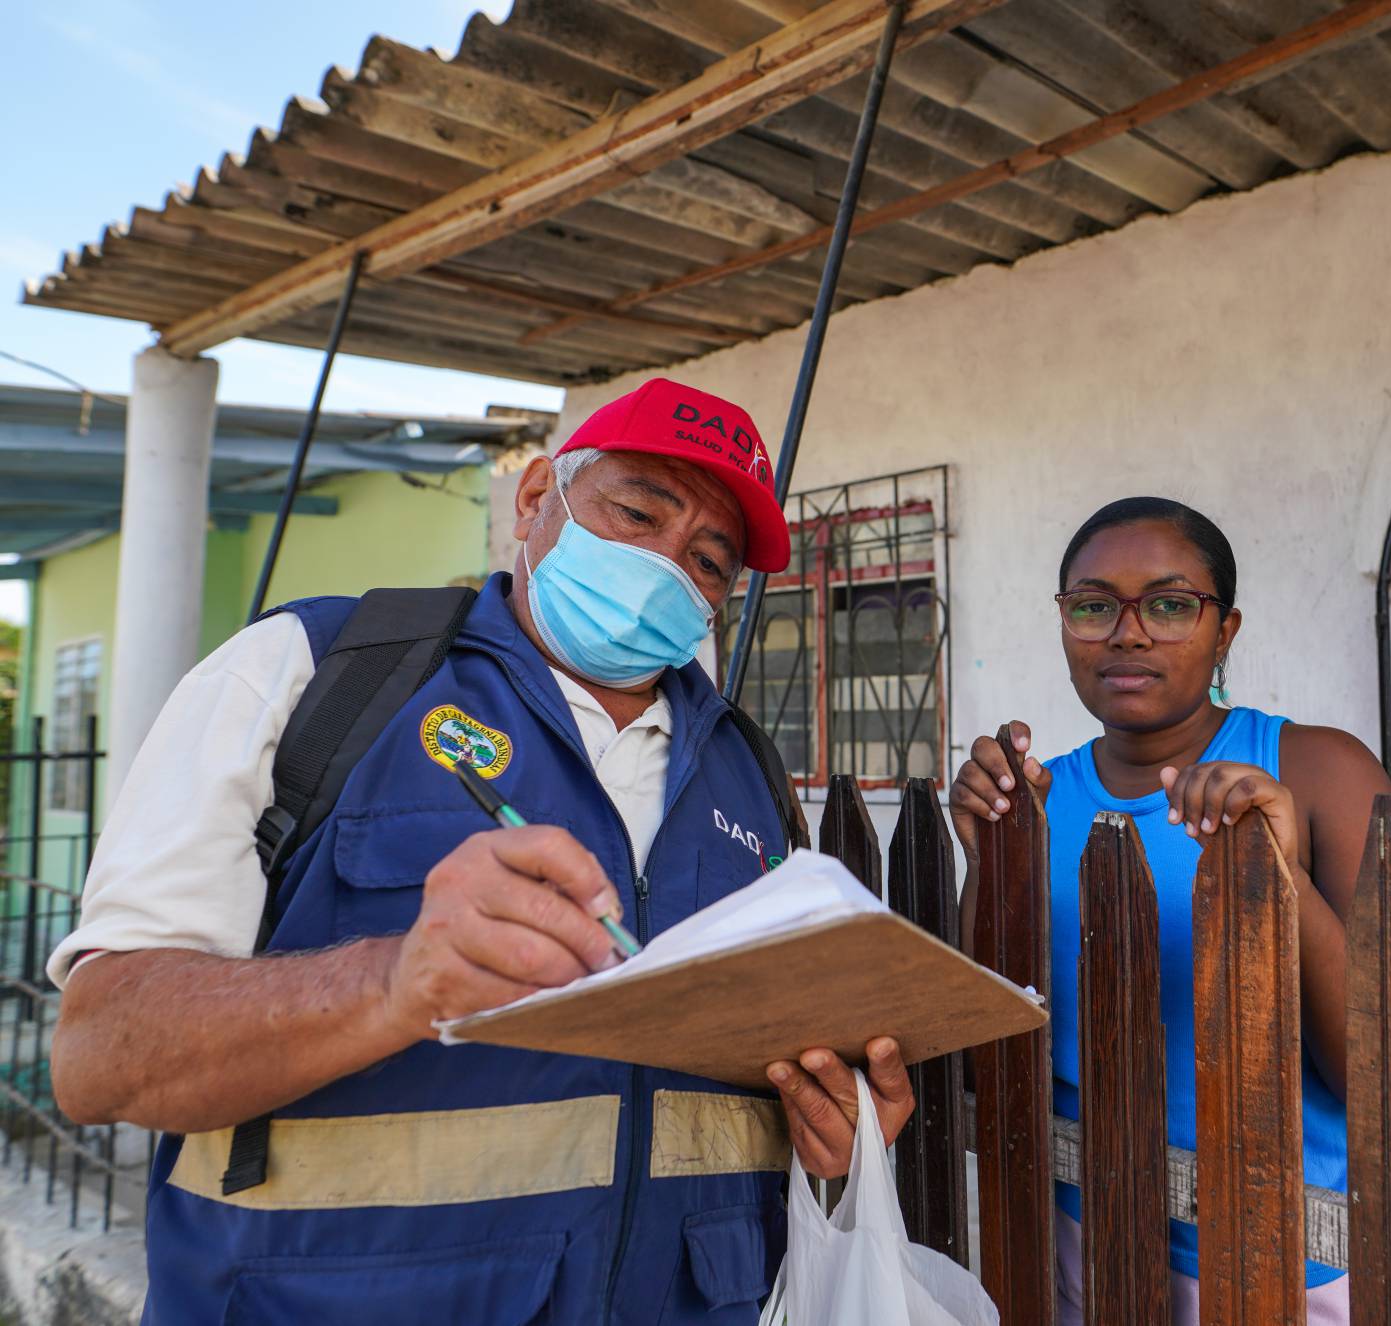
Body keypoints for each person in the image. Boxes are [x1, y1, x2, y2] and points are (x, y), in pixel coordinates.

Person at [48, 377, 913, 1325]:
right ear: (535, 498)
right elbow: (100, 1054)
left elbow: (739, 1096)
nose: (664, 566)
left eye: (708, 562)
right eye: (636, 513)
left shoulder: (746, 773)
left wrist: (826, 1131)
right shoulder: (317, 672)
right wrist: (393, 983)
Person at [950, 496, 1391, 1325]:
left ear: (1225, 632)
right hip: (1081, 1236)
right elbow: (983, 1061)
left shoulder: (1316, 769)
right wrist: (990, 864)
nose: (1128, 633)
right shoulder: (1039, 796)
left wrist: (1282, 877)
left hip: (1287, 1260)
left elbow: (1383, 1073)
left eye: (1169, 604)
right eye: (1094, 607)